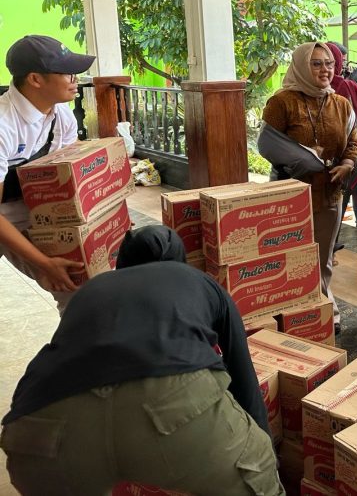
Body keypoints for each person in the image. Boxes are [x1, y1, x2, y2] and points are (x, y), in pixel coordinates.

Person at [0, 225, 284, 496]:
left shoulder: (90, 291)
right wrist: (263, 453)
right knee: (255, 470)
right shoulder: (199, 282)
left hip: (40, 428)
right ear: (180, 262)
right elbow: (242, 376)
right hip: (170, 408)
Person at [261, 43, 357, 334]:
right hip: (290, 193)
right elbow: (267, 145)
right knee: (293, 254)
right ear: (302, 66)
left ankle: (322, 305)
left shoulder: (340, 103)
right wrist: (303, 156)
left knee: (323, 256)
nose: (325, 70)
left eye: (329, 63)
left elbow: (354, 138)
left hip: (330, 190)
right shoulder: (281, 102)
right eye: (316, 64)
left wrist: (349, 163)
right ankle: (298, 309)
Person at [0, 35, 96, 312]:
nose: (75, 78)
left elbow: (69, 180)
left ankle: (79, 351)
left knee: (75, 284)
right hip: (5, 216)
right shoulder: (4, 126)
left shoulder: (61, 116)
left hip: (30, 214)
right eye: (67, 72)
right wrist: (44, 264)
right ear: (35, 79)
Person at [326, 42, 357, 234]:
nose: (324, 70)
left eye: (328, 63)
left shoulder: (303, 90)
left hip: (324, 163)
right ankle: (330, 248)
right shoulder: (348, 87)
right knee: (338, 207)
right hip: (347, 160)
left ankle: (327, 249)